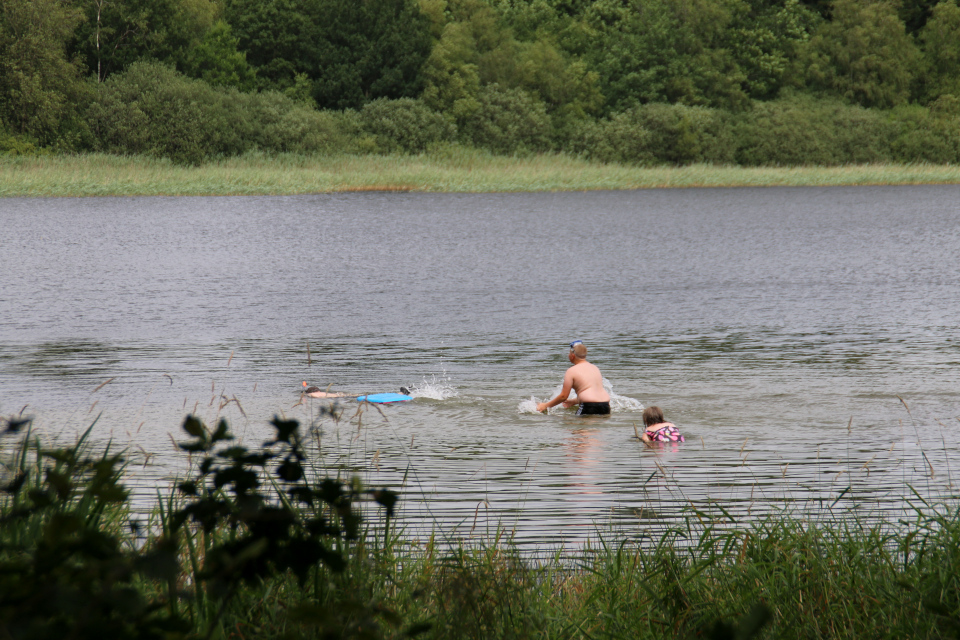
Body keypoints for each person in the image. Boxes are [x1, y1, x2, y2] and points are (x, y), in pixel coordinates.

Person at [536, 340, 611, 415]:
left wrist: (545, 405)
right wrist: (574, 401)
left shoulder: (571, 371)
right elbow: (592, 393)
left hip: (589, 406)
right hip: (605, 406)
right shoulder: (595, 368)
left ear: (572, 356)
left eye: (569, 353)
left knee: (572, 425)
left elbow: (563, 396)